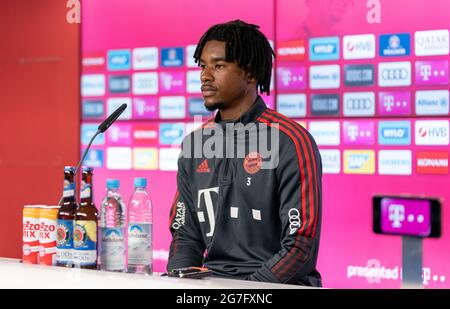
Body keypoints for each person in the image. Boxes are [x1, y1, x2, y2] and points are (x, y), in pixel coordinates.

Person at [167, 20, 322, 286]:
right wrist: (181, 285)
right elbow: (185, 235)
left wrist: (245, 292)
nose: (205, 76)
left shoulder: (290, 140)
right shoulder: (194, 143)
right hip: (213, 283)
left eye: (219, 66)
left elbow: (300, 245)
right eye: (203, 66)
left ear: (250, 73)